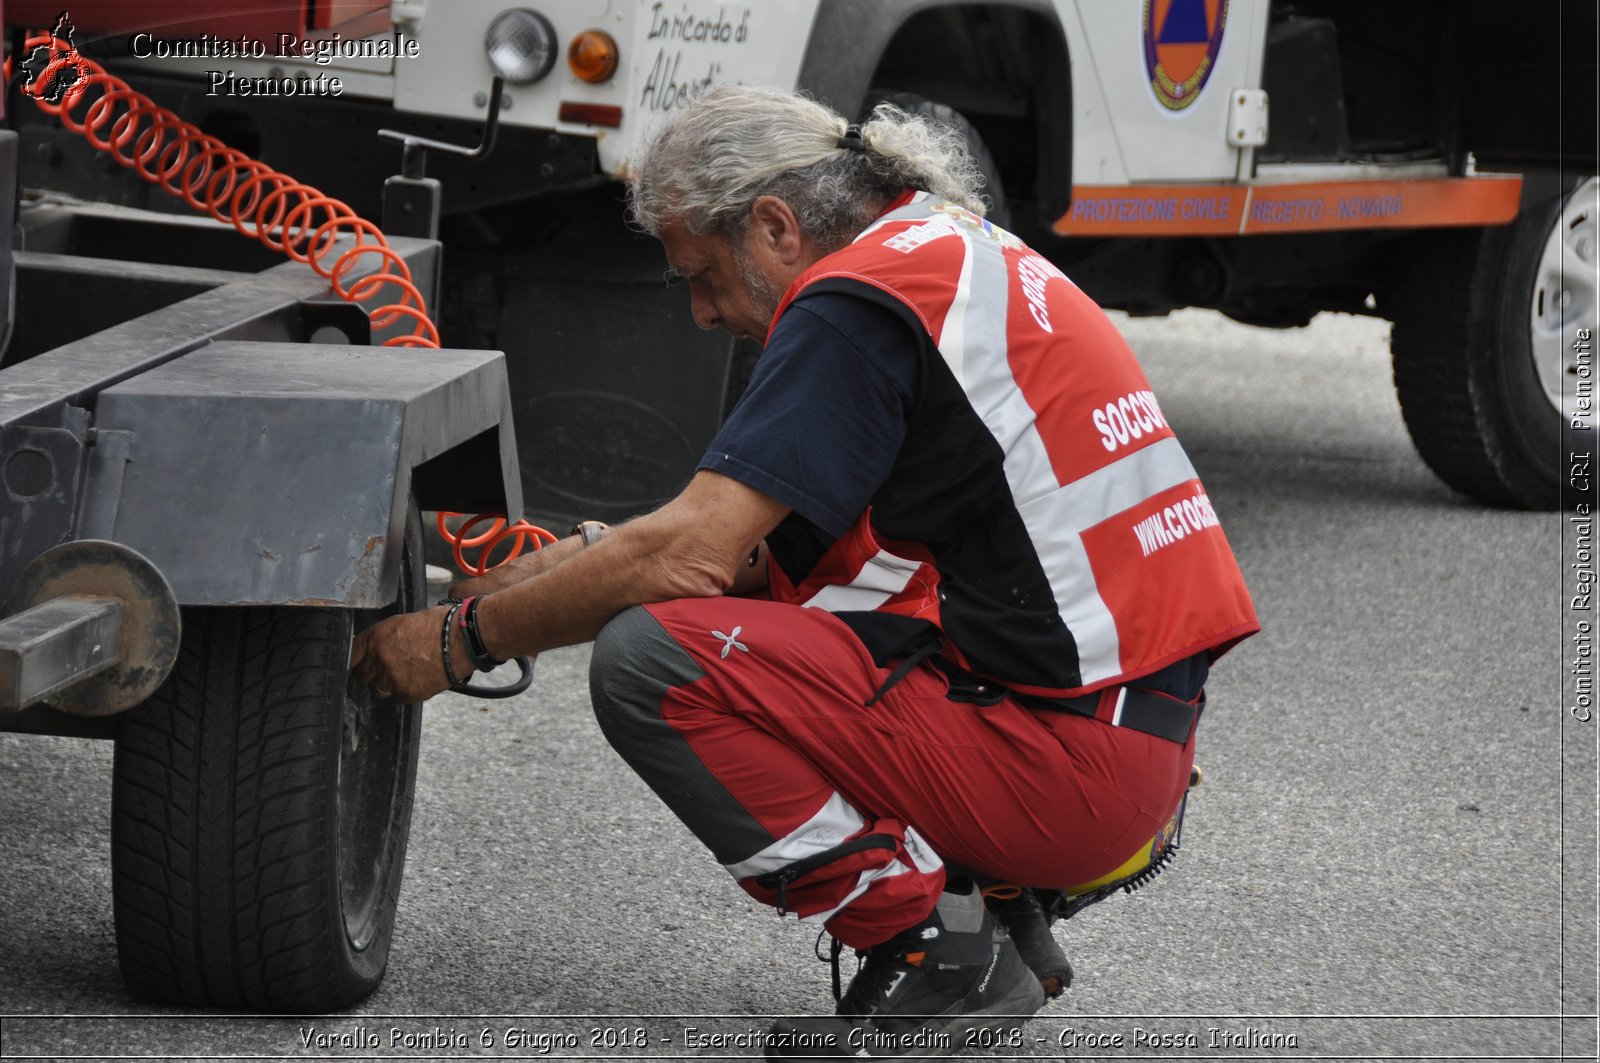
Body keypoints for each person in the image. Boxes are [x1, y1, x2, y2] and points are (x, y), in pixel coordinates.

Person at [352, 84, 1260, 1058]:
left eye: (701, 274)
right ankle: (989, 904)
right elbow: (756, 556)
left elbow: (692, 555)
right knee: (808, 601)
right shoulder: (942, 248)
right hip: (1131, 751)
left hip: (1074, 771)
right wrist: (557, 570)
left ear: (777, 226)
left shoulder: (853, 300)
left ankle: (936, 949)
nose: (700, 314)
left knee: (655, 662)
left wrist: (456, 641)